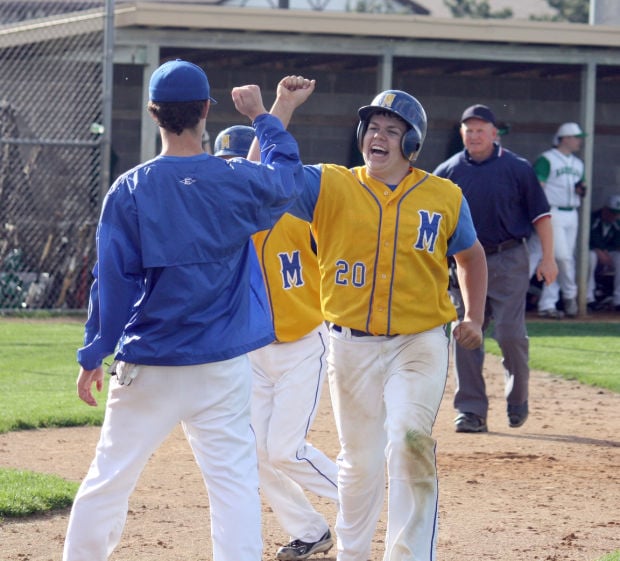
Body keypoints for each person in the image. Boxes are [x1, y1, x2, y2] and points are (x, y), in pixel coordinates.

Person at [62, 60, 308, 561]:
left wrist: (94, 353)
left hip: (150, 362)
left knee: (109, 478)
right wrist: (265, 115)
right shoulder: (234, 178)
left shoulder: (129, 188)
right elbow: (285, 177)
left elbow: (111, 284)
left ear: (154, 114)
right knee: (234, 485)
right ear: (205, 111)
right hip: (219, 367)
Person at [266, 87, 488, 561]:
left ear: (413, 144)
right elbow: (269, 178)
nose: (377, 136)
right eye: (372, 127)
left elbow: (470, 255)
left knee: (410, 441)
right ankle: (353, 554)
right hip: (350, 346)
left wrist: (474, 315)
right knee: (360, 464)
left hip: (420, 342)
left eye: (392, 130)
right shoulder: (331, 184)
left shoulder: (444, 195)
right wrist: (280, 110)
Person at [214, 116, 339, 561]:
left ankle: (361, 500)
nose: (234, 174)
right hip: (253, 353)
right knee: (256, 454)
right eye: (225, 165)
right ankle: (311, 530)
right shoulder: (223, 221)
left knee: (286, 450)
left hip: (302, 345)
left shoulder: (296, 210)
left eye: (239, 164)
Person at [433, 103, 558, 433]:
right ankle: (471, 410)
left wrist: (548, 258)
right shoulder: (447, 172)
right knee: (466, 332)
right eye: (468, 130)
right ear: (462, 134)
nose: (474, 135)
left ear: (494, 133)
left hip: (507, 258)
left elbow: (541, 217)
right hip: (463, 261)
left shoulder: (517, 168)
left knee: (509, 333)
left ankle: (517, 396)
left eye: (480, 130)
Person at [532, 122, 586, 318]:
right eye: (576, 137)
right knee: (562, 257)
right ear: (565, 138)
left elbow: (582, 187)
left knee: (560, 259)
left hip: (572, 213)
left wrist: (581, 189)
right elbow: (538, 187)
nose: (579, 141)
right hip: (551, 213)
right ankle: (570, 294)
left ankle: (548, 304)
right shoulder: (547, 159)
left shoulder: (578, 163)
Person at [586, 194, 620, 312]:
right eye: (612, 212)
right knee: (590, 257)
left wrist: (605, 252)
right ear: (605, 209)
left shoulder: (617, 222)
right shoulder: (592, 218)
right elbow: (585, 239)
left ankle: (618, 300)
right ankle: (588, 299)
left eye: (617, 213)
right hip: (591, 252)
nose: (614, 216)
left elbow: (617, 243)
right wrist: (598, 250)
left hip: (607, 253)